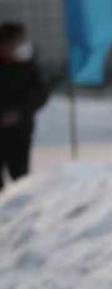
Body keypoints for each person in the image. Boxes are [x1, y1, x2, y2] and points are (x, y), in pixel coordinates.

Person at [0, 21, 48, 192]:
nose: (22, 46)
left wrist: (20, 112)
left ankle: (20, 206)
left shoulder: (28, 66)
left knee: (21, 179)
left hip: (20, 130)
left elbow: (40, 94)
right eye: (19, 41)